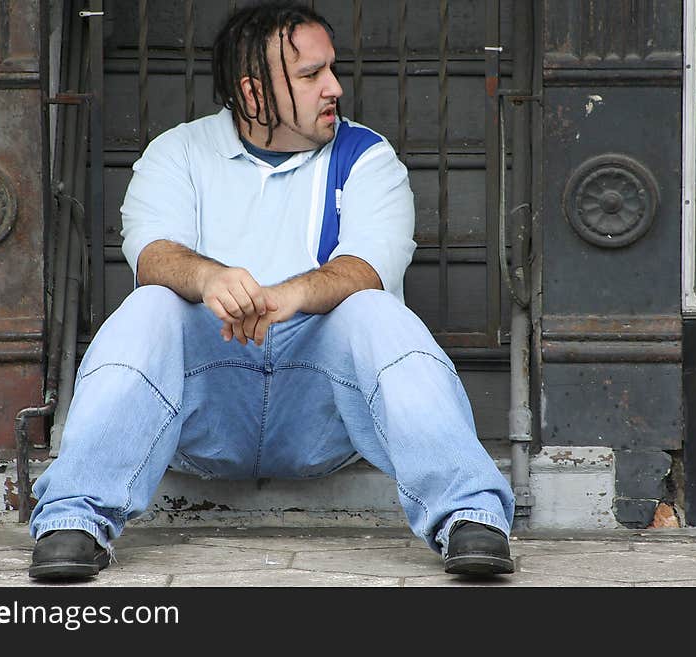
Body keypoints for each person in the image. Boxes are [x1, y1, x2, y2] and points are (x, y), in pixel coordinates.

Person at [28, 0, 515, 580]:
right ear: (254, 94)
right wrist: (211, 278)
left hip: (320, 410)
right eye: (311, 75)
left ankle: (471, 514)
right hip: (209, 405)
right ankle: (72, 519)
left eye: (330, 69)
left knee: (375, 312)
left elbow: (368, 266)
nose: (333, 87)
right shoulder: (178, 151)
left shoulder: (366, 156)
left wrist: (289, 295)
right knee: (150, 304)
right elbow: (153, 254)